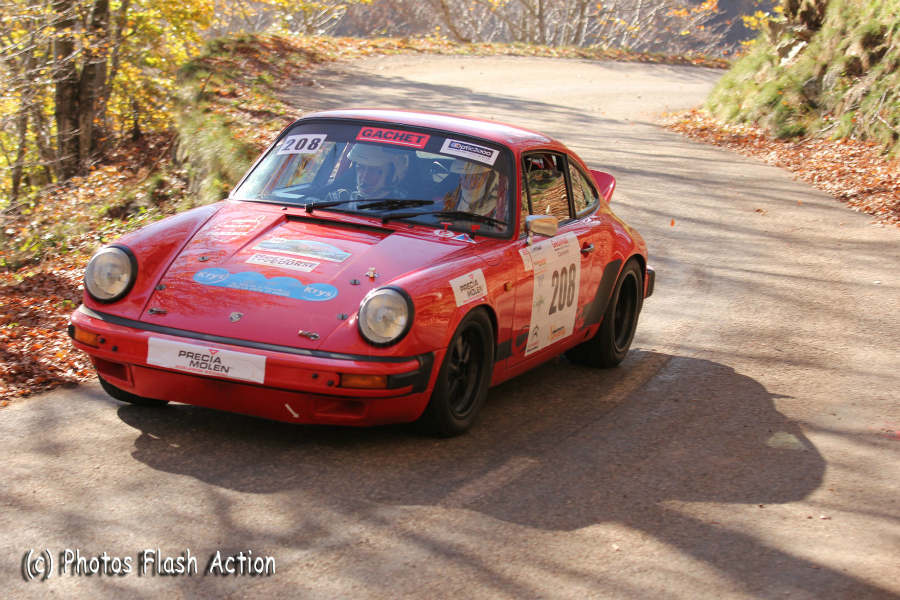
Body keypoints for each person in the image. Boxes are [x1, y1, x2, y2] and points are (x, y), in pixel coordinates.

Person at [326, 144, 409, 205]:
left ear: (393, 175)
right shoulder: (340, 198)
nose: (365, 176)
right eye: (361, 168)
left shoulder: (403, 208)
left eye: (374, 170)